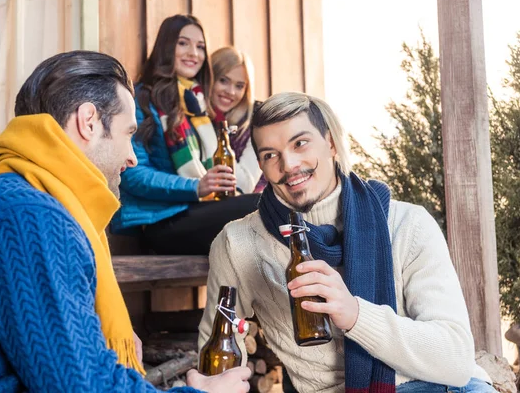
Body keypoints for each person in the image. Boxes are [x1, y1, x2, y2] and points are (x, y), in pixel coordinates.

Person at [0, 50, 250, 392]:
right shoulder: (31, 216)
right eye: (129, 134)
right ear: (89, 122)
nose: (130, 156)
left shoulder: (7, 198)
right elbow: (81, 387)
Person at [198, 92, 496, 392]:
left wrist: (355, 315)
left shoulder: (408, 224)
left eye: (300, 143)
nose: (288, 164)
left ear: (329, 142)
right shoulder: (238, 244)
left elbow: (457, 360)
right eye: (270, 155)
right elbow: (216, 359)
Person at [111, 15, 260, 255]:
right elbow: (133, 175)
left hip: (197, 211)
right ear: (166, 46)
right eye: (183, 43)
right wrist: (196, 186)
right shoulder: (140, 99)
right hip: (160, 221)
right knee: (261, 207)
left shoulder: (196, 104)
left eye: (200, 47)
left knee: (267, 217)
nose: (194, 53)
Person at [210, 46, 264, 193]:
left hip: (255, 205)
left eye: (239, 86)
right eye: (223, 81)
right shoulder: (196, 116)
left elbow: (246, 184)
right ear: (209, 78)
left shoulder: (258, 119)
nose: (230, 92)